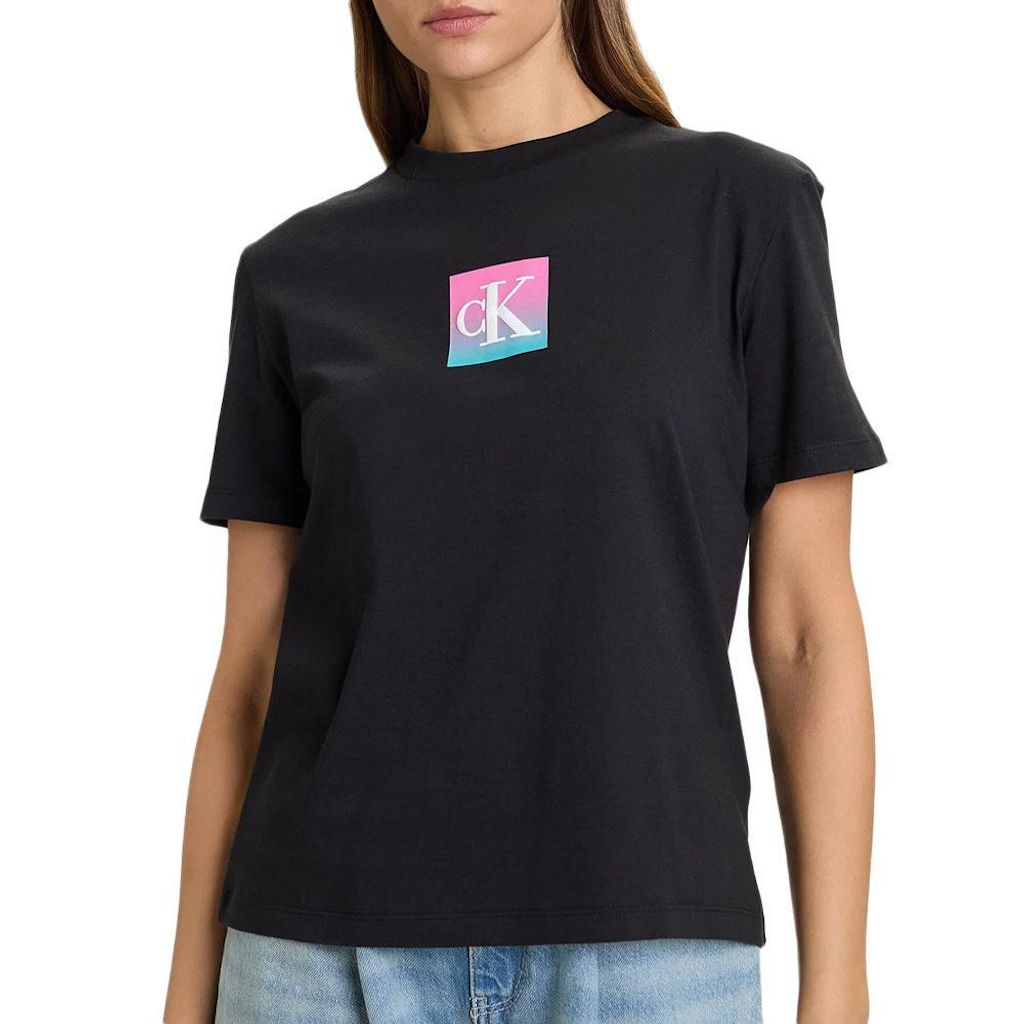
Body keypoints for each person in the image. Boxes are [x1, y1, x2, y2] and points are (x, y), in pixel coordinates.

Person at [163, 2, 886, 1021]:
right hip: (315, 959)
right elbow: (252, 666)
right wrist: (185, 996)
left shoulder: (739, 209)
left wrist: (839, 986)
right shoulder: (294, 271)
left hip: (645, 955)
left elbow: (808, 634)